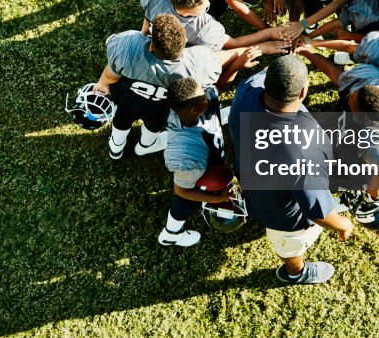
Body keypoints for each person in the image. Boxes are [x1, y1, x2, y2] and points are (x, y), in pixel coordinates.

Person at [228, 56, 353, 285]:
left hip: (251, 179)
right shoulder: (303, 149)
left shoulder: (246, 91)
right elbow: (317, 211)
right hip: (283, 214)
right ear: (303, 92)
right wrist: (343, 225)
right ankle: (295, 272)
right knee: (290, 246)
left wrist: (283, 67)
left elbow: (265, 73)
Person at [95, 14, 257, 160]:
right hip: (158, 109)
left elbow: (110, 74)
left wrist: (102, 83)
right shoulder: (196, 65)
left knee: (121, 122)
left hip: (126, 101)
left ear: (151, 46)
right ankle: (143, 147)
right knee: (153, 127)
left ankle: (115, 149)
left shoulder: (128, 48)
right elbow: (222, 64)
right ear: (184, 44)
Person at [157, 77, 232, 248]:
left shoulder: (193, 106)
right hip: (196, 167)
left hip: (206, 158)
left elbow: (218, 87)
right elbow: (182, 190)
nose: (207, 94)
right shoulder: (186, 156)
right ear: (193, 110)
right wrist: (216, 198)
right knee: (186, 201)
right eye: (203, 97)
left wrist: (238, 64)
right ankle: (171, 233)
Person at [139, 0, 297, 53]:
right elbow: (233, 44)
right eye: (205, 6)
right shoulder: (204, 29)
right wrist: (269, 33)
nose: (208, 4)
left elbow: (147, 18)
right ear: (187, 12)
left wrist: (143, 34)